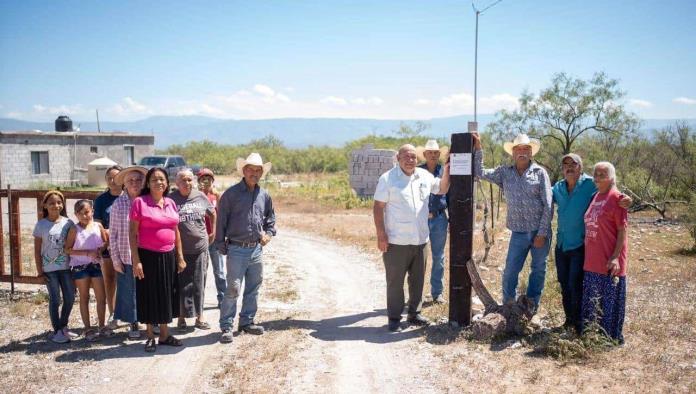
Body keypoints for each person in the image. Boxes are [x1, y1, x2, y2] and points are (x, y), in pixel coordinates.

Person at [373, 144, 450, 332]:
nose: (410, 160)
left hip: (420, 240)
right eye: (406, 157)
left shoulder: (424, 176)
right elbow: (378, 207)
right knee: (395, 282)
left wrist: (447, 170)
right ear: (398, 159)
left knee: (417, 281)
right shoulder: (388, 179)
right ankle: (394, 319)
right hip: (396, 242)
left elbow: (441, 188)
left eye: (413, 157)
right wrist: (381, 234)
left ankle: (414, 314)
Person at [472, 133, 552, 311]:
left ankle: (532, 305)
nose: (522, 152)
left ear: (531, 153)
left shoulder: (540, 173)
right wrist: (478, 149)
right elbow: (479, 172)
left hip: (539, 232)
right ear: (513, 153)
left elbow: (548, 205)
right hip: (518, 232)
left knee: (538, 270)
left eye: (526, 149)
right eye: (518, 149)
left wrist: (542, 233)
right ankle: (509, 305)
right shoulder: (504, 173)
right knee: (510, 271)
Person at [552, 154, 631, 333]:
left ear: (581, 168)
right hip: (562, 245)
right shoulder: (557, 187)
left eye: (574, 164)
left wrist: (626, 199)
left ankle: (582, 326)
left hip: (579, 247)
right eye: (566, 165)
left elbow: (613, 192)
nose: (570, 167)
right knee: (564, 284)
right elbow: (541, 194)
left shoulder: (590, 184)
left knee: (575, 285)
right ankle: (570, 321)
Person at [216, 153, 276, 343]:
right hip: (236, 248)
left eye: (258, 170)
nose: (254, 173)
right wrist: (221, 245)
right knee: (233, 288)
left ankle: (247, 322)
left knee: (253, 287)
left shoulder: (264, 195)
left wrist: (268, 234)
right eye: (251, 169)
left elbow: (270, 220)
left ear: (261, 173)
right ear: (244, 171)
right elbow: (221, 221)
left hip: (256, 249)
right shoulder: (231, 194)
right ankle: (226, 326)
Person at [129, 167, 186, 352]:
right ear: (148, 183)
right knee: (148, 295)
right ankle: (150, 336)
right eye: (154, 179)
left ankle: (164, 334)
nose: (158, 182)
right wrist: (136, 260)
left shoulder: (170, 202)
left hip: (168, 255)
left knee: (167, 294)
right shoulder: (140, 202)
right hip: (147, 255)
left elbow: (175, 231)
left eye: (162, 179)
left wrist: (180, 256)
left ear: (167, 183)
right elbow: (132, 233)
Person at [582, 161, 629, 343]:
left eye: (603, 174)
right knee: (593, 300)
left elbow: (622, 230)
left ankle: (610, 338)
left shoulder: (616, 199)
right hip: (592, 260)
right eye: (596, 174)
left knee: (609, 301)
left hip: (610, 260)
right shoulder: (595, 196)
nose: (598, 177)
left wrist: (616, 257)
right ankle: (593, 336)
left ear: (611, 178)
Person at [170, 169, 216, 330]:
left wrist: (213, 232)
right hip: (180, 250)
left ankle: (200, 317)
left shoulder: (200, 196)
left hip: (200, 248)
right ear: (177, 183)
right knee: (182, 284)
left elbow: (212, 214)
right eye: (183, 180)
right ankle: (181, 318)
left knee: (199, 283)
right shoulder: (171, 199)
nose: (187, 183)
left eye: (189, 180)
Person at [33, 190, 76, 344]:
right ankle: (57, 331)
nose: (55, 205)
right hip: (49, 270)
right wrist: (39, 271)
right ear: (45, 205)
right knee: (55, 299)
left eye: (59, 202)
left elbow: (73, 244)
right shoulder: (41, 225)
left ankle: (63, 326)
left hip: (66, 268)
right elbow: (37, 250)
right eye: (51, 203)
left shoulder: (68, 223)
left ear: (62, 204)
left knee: (70, 297)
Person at [64, 199, 111, 341]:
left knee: (101, 297)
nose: (84, 216)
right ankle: (87, 329)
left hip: (96, 265)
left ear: (92, 211)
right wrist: (86, 253)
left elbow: (105, 242)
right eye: (80, 214)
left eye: (86, 212)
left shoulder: (98, 225)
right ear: (76, 215)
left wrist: (99, 249)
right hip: (80, 267)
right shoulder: (74, 229)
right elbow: (67, 249)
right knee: (84, 297)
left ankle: (102, 326)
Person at [110, 165, 147, 339]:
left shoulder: (148, 201)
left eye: (138, 180)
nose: (134, 183)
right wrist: (115, 259)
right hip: (126, 254)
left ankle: (151, 320)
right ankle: (133, 322)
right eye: (130, 180)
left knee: (147, 289)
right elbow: (114, 234)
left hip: (148, 253)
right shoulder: (118, 204)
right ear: (124, 184)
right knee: (129, 292)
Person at [416, 139, 449, 304]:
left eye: (436, 153)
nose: (433, 155)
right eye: (430, 152)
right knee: (417, 257)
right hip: (419, 218)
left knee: (438, 256)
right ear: (424, 154)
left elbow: (448, 194)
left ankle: (437, 293)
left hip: (439, 218)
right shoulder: (416, 172)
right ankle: (417, 295)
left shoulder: (444, 171)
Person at [93, 165, 123, 329]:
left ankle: (132, 314)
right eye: (109, 178)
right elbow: (97, 224)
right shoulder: (101, 200)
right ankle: (114, 314)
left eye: (115, 177)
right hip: (107, 245)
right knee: (110, 280)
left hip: (126, 245)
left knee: (127, 281)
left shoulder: (129, 196)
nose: (112, 181)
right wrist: (108, 236)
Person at [198, 168, 227, 308]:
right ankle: (199, 300)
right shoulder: (196, 196)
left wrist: (222, 234)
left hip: (215, 238)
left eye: (209, 178)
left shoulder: (217, 196)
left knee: (219, 271)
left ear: (213, 180)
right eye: (203, 178)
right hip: (201, 239)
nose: (206, 181)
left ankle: (223, 298)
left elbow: (221, 216)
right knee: (201, 271)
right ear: (199, 181)